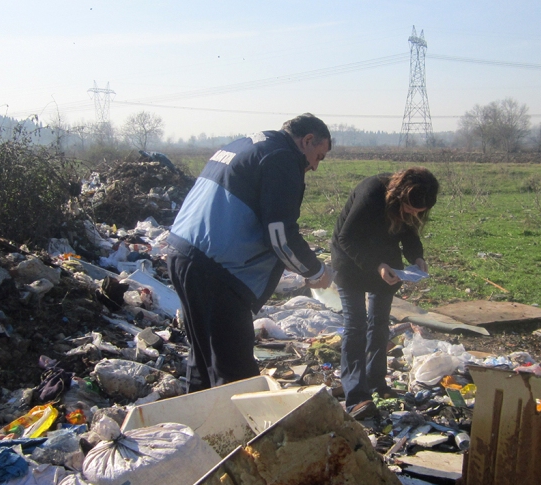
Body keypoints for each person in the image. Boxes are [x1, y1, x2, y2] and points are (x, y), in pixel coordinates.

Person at [167, 113, 334, 391]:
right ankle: (237, 433)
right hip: (217, 270)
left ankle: (199, 429)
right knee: (235, 373)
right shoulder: (283, 157)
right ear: (306, 141)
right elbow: (280, 234)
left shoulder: (248, 144)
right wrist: (315, 272)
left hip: (184, 253)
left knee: (204, 359)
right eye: (319, 156)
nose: (315, 167)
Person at [331, 167, 439, 414]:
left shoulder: (413, 202)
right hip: (351, 261)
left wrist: (417, 257)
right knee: (356, 325)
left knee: (379, 322)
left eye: (417, 212)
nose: (412, 214)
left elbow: (409, 234)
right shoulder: (371, 193)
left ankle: (376, 381)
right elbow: (346, 238)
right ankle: (356, 395)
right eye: (409, 209)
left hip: (386, 263)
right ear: (399, 195)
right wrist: (375, 265)